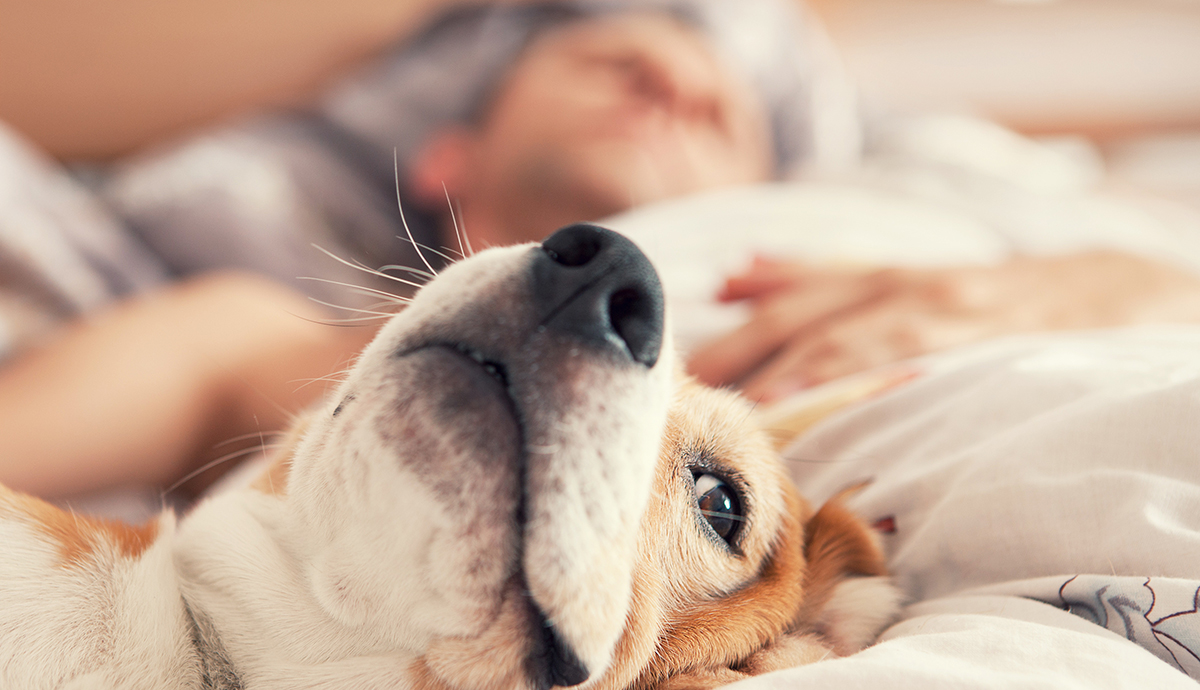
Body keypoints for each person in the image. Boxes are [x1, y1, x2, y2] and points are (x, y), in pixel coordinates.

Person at [5, 0, 1200, 501]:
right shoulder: (311, 338)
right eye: (608, 65)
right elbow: (210, 362)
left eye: (714, 110)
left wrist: (1061, 280)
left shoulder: (909, 213)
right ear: (447, 158)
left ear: (765, 193)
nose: (673, 73)